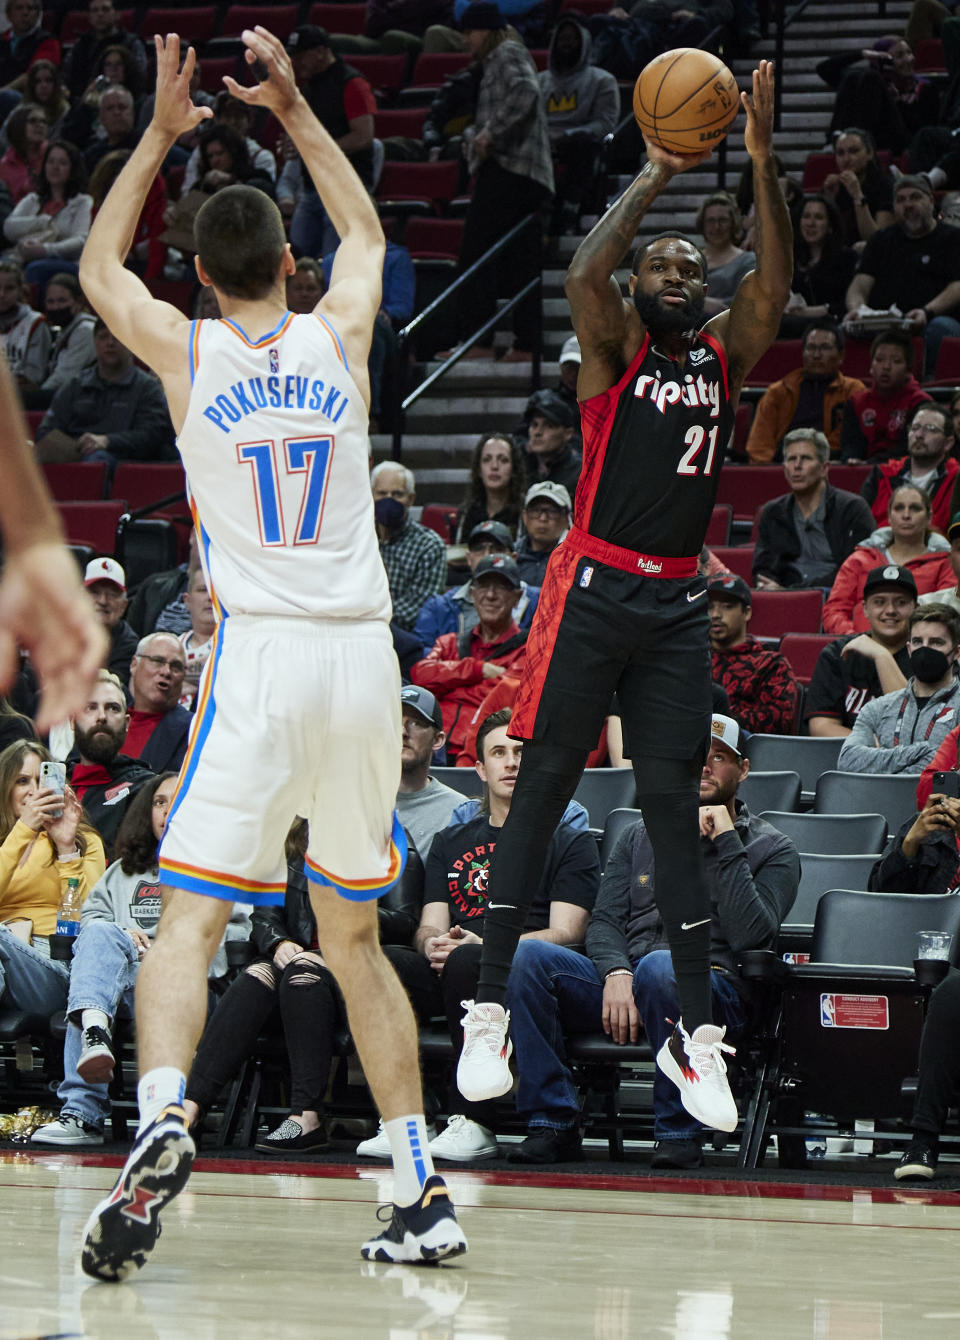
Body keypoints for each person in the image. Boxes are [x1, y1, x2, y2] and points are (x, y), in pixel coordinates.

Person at [75, 27, 465, 1279]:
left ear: (198, 271)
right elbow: (369, 240)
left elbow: (92, 272)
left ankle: (162, 1118)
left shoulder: (189, 356)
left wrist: (157, 131)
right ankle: (417, 1183)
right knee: (351, 938)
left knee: (188, 919)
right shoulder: (337, 334)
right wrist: (294, 105)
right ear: (287, 265)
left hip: (254, 658)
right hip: (362, 661)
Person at [455, 61, 793, 1134]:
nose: (681, 270)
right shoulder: (611, 356)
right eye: (664, 263)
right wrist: (652, 176)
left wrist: (761, 162)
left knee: (672, 810)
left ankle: (695, 1037)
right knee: (547, 781)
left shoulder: (722, 361)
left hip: (678, 606)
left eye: (695, 261)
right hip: (595, 590)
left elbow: (773, 290)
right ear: (642, 287)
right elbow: (586, 273)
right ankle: (485, 1009)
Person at [506, 714, 798, 1167]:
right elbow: (603, 923)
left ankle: (678, 1132)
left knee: (663, 967)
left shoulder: (773, 849)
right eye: (692, 759)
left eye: (718, 759)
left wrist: (725, 842)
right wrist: (617, 974)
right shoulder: (639, 834)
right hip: (628, 983)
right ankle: (553, 1122)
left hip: (715, 992)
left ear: (742, 770)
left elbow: (752, 936)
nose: (703, 768)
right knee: (530, 956)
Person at [373, 708, 599, 1163]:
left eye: (521, 752)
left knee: (466, 962)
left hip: (521, 970)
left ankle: (473, 1120)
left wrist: (486, 948)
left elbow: (567, 932)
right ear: (480, 768)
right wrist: (431, 942)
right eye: (499, 752)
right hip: (452, 964)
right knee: (383, 963)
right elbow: (429, 922)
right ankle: (400, 1118)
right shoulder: (451, 839)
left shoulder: (567, 838)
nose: (512, 762)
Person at [182, 817, 421, 1155]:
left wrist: (349, 913)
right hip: (300, 969)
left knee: (304, 969)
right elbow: (263, 917)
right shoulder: (287, 843)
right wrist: (278, 943)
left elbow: (405, 921)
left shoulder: (387, 837)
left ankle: (306, 1117)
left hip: (366, 966)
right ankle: (189, 1108)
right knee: (257, 975)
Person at [448, 3, 553, 363]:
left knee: (475, 255)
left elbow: (527, 91)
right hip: (525, 173)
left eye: (469, 32)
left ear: (486, 30)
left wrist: (488, 135)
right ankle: (526, 344)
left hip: (512, 170)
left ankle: (478, 339)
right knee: (521, 262)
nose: (464, 40)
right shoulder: (500, 56)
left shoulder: (505, 52)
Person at [0, 739, 106, 1018]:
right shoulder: (6, 842)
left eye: (41, 780)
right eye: (22, 781)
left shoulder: (85, 840)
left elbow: (91, 916)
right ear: (5, 789)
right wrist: (23, 830)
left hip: (55, 962)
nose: (35, 791)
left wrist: (66, 848)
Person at [411, 555, 529, 763]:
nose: (491, 595)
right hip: (432, 750)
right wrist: (477, 669)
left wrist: (447, 689)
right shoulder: (449, 642)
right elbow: (420, 676)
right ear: (472, 593)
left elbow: (499, 698)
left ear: (517, 597)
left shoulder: (527, 650)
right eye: (483, 586)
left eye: (501, 587)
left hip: (483, 756)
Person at [844, 175, 960, 379]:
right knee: (839, 330)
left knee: (940, 328)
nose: (907, 205)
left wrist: (927, 312)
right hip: (884, 322)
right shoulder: (880, 240)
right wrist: (857, 310)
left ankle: (931, 392)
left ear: (931, 202)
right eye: (900, 200)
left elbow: (957, 286)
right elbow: (859, 286)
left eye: (915, 197)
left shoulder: (952, 238)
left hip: (931, 319)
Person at [284, 25, 377, 261]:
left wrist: (314, 148)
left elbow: (363, 137)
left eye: (300, 55)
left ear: (321, 51)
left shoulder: (352, 83)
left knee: (333, 264)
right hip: (312, 188)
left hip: (346, 189)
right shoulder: (307, 89)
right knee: (295, 262)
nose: (296, 62)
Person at [34, 317, 176, 467]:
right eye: (103, 337)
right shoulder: (75, 385)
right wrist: (75, 447)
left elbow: (152, 436)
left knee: (97, 459)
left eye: (117, 337)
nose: (110, 343)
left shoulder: (147, 389)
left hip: (121, 463)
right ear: (95, 342)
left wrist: (107, 441)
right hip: (72, 455)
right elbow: (46, 430)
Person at [836, 603, 960, 773]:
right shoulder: (877, 709)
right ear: (909, 649)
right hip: (880, 799)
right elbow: (848, 761)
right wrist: (926, 751)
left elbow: (945, 771)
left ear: (956, 652)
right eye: (918, 641)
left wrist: (882, 758)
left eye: (936, 642)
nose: (925, 649)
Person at [823, 484, 954, 634]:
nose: (906, 515)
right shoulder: (859, 560)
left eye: (915, 508)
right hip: (859, 649)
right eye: (899, 508)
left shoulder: (946, 564)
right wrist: (855, 639)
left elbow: (946, 616)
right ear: (889, 516)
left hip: (917, 650)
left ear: (929, 517)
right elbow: (834, 611)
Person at [753, 429, 874, 590]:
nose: (797, 466)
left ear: (824, 468)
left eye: (805, 458)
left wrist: (797, 592)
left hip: (836, 595)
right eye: (791, 459)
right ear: (784, 469)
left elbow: (857, 570)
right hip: (782, 599)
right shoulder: (773, 512)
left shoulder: (852, 509)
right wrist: (776, 591)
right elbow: (763, 569)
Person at [806, 563, 916, 736]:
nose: (890, 610)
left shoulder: (926, 655)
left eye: (901, 602)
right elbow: (821, 726)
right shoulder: (837, 654)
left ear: (915, 608)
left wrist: (882, 656)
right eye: (879, 602)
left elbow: (909, 726)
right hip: (844, 758)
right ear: (865, 609)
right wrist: (871, 748)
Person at [538, 14, 618, 234]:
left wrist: (567, 135)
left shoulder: (602, 80)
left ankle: (569, 210)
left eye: (571, 39)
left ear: (583, 44)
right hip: (540, 143)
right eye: (561, 39)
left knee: (582, 147)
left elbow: (605, 123)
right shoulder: (539, 81)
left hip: (579, 143)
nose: (566, 44)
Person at [415, 520, 539, 656]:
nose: (487, 555)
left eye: (497, 548)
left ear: (514, 558)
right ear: (469, 557)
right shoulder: (438, 606)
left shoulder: (540, 602)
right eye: (479, 548)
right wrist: (473, 669)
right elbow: (420, 656)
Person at [745, 320, 864, 462]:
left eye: (825, 348)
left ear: (841, 355)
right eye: (811, 348)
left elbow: (848, 442)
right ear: (802, 353)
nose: (816, 355)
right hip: (783, 466)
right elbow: (759, 447)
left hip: (830, 464)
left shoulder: (853, 391)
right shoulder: (778, 392)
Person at [68, 668, 155, 858]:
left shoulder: (145, 788)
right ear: (72, 720)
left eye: (112, 708)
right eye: (90, 707)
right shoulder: (51, 782)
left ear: (127, 723)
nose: (102, 716)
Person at [708, 574, 799, 733]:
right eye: (709, 607)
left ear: (747, 612)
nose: (716, 614)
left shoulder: (771, 664)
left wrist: (719, 722)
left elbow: (778, 720)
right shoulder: (692, 657)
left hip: (746, 750)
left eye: (727, 606)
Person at [2, 139, 92, 290]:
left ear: (73, 169)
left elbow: (80, 240)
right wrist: (42, 221)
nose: (55, 167)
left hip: (65, 262)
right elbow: (9, 227)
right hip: (22, 257)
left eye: (63, 163)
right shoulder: (33, 199)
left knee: (36, 268)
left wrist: (45, 249)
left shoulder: (82, 202)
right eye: (51, 162)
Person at [370, 460, 448, 632]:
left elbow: (418, 610)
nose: (388, 500)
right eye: (381, 493)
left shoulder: (429, 545)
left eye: (397, 494)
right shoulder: (360, 540)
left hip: (405, 637)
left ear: (411, 499)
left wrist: (369, 613)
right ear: (370, 495)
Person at [861, 401, 959, 533]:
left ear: (948, 443)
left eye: (930, 429)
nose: (919, 435)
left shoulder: (956, 478)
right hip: (879, 550)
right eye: (915, 428)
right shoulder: (882, 474)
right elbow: (860, 525)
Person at [840, 329, 931, 464]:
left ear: (908, 370)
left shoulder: (921, 404)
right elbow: (851, 445)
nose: (886, 367)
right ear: (871, 366)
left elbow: (909, 448)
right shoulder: (856, 402)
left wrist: (871, 464)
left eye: (896, 361)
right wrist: (851, 460)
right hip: (860, 471)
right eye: (879, 360)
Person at [394, 685, 462, 862]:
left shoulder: (460, 813)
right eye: (394, 721)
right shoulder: (358, 803)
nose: (402, 732)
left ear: (438, 740)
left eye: (416, 723)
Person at [784, 194, 859, 329]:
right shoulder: (789, 259)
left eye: (818, 218)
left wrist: (810, 312)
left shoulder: (847, 258)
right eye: (806, 216)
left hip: (833, 326)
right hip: (792, 327)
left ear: (830, 226)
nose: (811, 223)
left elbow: (848, 304)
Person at [123, 632, 191, 774]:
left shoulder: (193, 730)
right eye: (158, 661)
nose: (166, 672)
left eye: (176, 666)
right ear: (134, 664)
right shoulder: (106, 715)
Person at [821, 127, 894, 247]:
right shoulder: (835, 186)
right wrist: (829, 200)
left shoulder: (885, 186)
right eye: (840, 153)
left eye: (853, 151)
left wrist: (857, 196)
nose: (846, 159)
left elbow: (878, 241)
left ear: (869, 153)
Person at [62, 0, 146, 102]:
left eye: (105, 9)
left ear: (116, 14)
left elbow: (140, 79)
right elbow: (67, 77)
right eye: (95, 10)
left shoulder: (131, 43)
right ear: (89, 17)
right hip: (85, 103)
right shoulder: (81, 45)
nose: (100, 14)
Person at [34, 270, 96, 403]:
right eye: (50, 301)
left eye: (62, 301)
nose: (56, 307)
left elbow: (64, 378)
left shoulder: (85, 330)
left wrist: (37, 395)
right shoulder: (66, 328)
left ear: (78, 302)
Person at [454, 431, 527, 543]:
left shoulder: (525, 512)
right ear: (478, 469)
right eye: (487, 459)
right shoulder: (467, 512)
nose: (494, 466)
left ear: (513, 469)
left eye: (503, 460)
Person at [696, 191, 756, 319]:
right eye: (710, 221)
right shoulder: (690, 259)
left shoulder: (747, 260)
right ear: (703, 224)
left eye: (722, 220)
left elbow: (747, 301)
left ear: (733, 223)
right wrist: (702, 303)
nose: (716, 227)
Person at [81, 556, 137, 680]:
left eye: (112, 594)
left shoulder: (129, 647)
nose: (103, 601)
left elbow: (109, 688)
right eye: (95, 592)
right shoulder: (60, 630)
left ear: (124, 606)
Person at [0, 256, 49, 392]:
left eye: (9, 288)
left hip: (21, 398)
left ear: (20, 290)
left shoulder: (35, 322)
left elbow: (33, 376)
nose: (2, 294)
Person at [522, 388, 582, 498]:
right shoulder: (520, 469)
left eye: (549, 426)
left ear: (568, 433)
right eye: (534, 425)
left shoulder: (580, 474)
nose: (538, 433)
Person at [514, 480, 571, 587]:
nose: (543, 518)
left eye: (552, 511)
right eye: (536, 511)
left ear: (568, 518)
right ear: (525, 517)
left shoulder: (576, 561)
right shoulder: (511, 556)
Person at [177, 566, 214, 710]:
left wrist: (176, 679)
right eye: (202, 590)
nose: (210, 597)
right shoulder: (174, 644)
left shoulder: (234, 643)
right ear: (187, 600)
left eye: (215, 590)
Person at [0, 102, 47, 204]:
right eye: (33, 121)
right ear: (18, 125)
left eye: (43, 121)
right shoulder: (5, 166)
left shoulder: (53, 153)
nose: (40, 125)